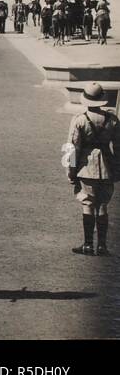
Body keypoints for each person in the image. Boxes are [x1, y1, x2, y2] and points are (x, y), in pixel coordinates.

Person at [66, 83, 119, 256]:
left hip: (85, 167)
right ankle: (102, 245)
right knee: (103, 205)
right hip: (107, 166)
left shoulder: (79, 119)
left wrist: (71, 171)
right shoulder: (113, 120)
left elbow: (72, 148)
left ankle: (88, 244)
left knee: (87, 203)